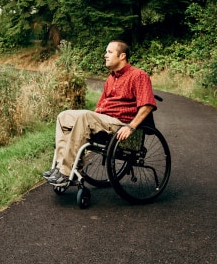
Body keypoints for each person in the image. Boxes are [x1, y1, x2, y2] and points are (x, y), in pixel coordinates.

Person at [43, 40, 157, 186]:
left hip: (120, 122)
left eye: (109, 52)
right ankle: (60, 168)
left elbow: (147, 105)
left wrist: (130, 127)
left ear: (122, 56)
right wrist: (91, 116)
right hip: (104, 120)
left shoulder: (138, 75)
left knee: (84, 116)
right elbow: (100, 106)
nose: (105, 55)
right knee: (63, 116)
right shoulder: (111, 78)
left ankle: (66, 173)